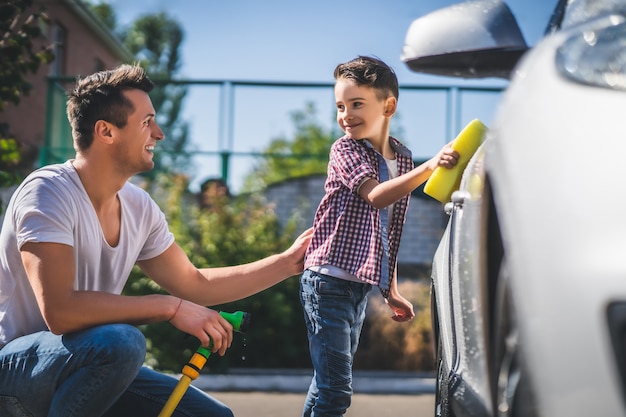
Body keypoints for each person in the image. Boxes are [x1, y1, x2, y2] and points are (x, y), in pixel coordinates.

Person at [0, 64, 312, 417]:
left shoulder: (138, 206)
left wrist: (289, 262)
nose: (159, 133)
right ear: (106, 132)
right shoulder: (48, 192)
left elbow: (194, 283)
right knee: (122, 341)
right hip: (15, 374)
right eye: (147, 122)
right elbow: (60, 311)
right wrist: (170, 307)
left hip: (89, 364)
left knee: (212, 416)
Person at [299, 55, 459, 417]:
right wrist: (431, 166)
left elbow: (392, 228)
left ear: (388, 106)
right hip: (324, 284)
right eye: (340, 105)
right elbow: (375, 196)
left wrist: (392, 289)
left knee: (325, 386)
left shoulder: (401, 156)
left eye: (357, 104)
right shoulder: (344, 150)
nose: (345, 114)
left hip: (356, 288)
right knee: (336, 392)